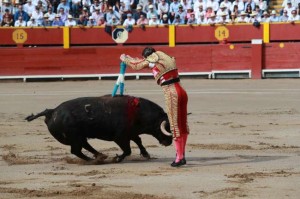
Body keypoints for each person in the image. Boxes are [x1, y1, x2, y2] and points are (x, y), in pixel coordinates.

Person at [120, 47, 189, 167]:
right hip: (182, 91)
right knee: (182, 125)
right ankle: (181, 156)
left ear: (148, 56)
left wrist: (125, 59)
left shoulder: (155, 56)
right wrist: (134, 59)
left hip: (172, 93)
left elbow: (137, 66)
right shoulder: (164, 57)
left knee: (174, 126)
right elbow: (147, 63)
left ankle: (179, 158)